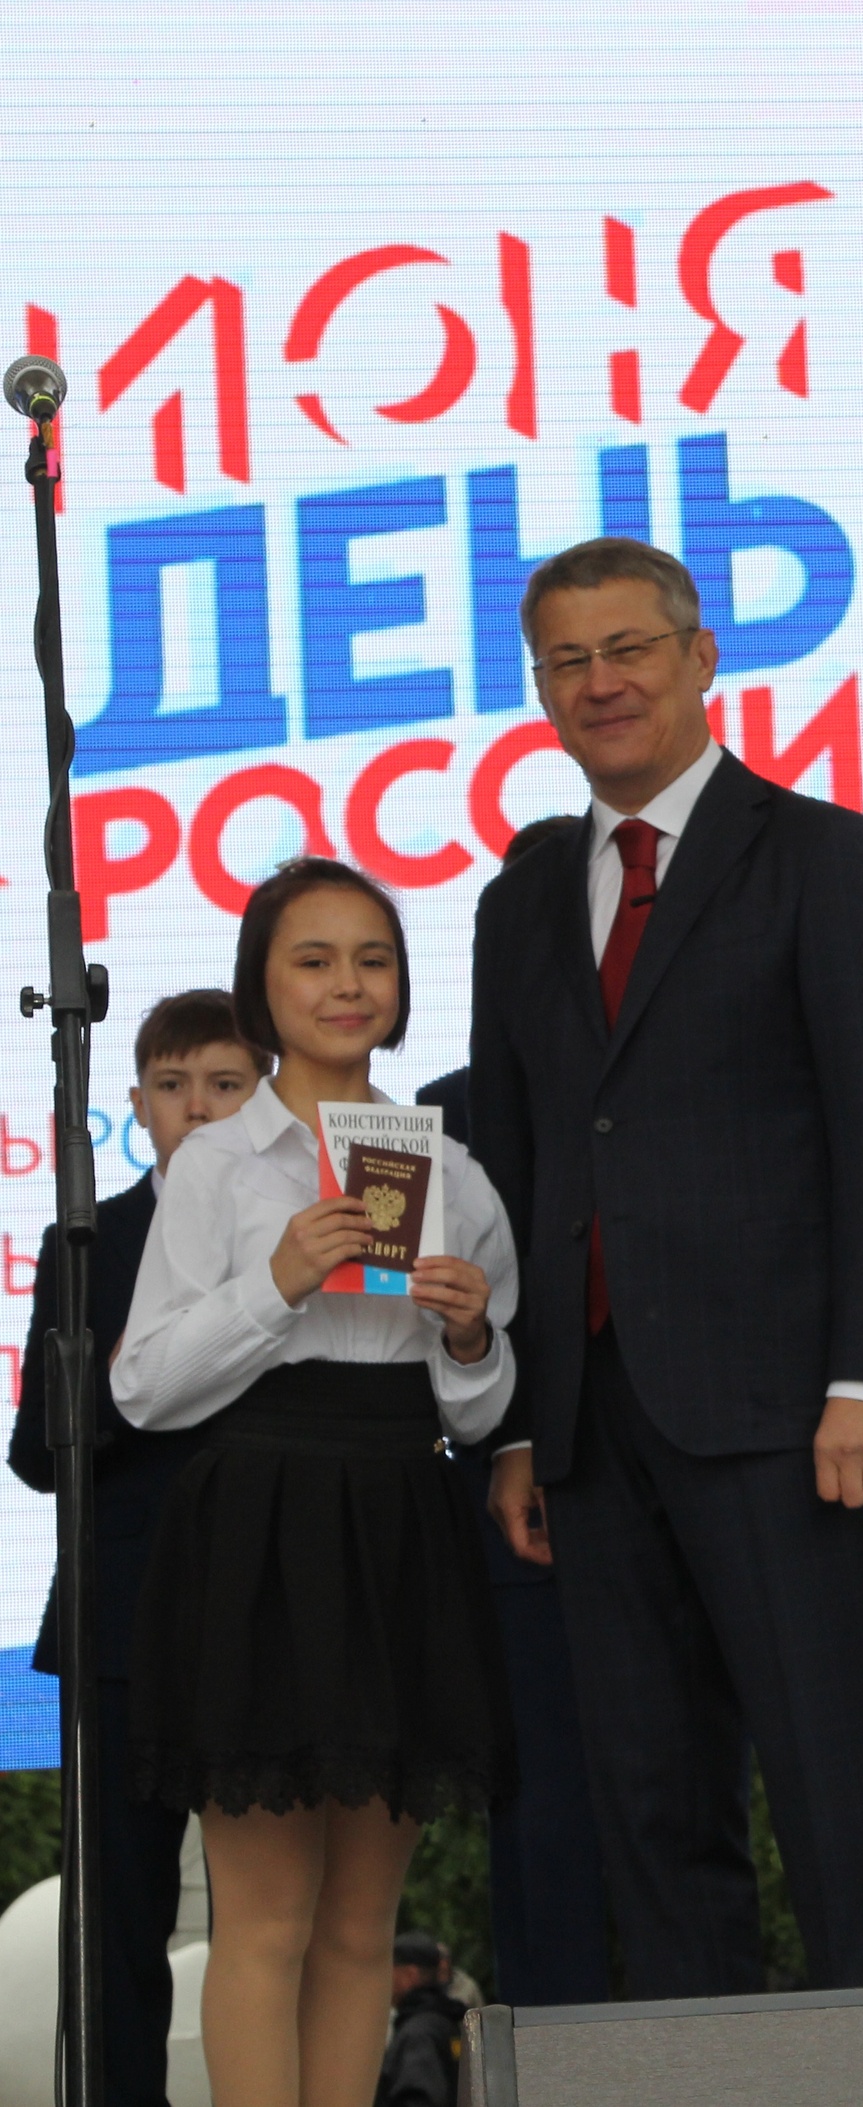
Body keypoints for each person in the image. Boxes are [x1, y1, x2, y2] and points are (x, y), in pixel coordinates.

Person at [470, 536, 863, 1998]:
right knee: (650, 1805)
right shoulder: (519, 900)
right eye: (567, 661)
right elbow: (519, 1167)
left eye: (628, 649)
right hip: (591, 1427)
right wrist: (523, 1422)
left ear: (699, 658)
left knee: (828, 1786)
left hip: (789, 1415)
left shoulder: (817, 853)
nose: (600, 682)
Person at [111, 859, 517, 2107]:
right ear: (262, 986)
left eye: (372, 959)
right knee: (268, 1920)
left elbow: (481, 1410)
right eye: (315, 958)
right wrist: (277, 1281)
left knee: (358, 1929)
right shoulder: (217, 1167)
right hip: (262, 1531)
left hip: (401, 1522)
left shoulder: (453, 1173)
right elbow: (142, 1387)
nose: (348, 983)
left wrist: (470, 1338)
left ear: (401, 987)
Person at [9, 991, 266, 2107]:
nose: (196, 1108)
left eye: (225, 1085)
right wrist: (136, 1376)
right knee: (116, 1918)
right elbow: (35, 1449)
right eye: (172, 1086)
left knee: (276, 1913)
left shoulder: (302, 1234)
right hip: (121, 1616)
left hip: (272, 1608)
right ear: (135, 1103)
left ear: (263, 1100)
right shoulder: (88, 1240)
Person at [413, 812, 613, 2011]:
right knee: (541, 1794)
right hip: (512, 1501)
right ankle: (556, 2052)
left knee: (681, 1783)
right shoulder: (434, 1122)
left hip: (683, 1482)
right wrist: (514, 1435)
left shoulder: (690, 1085)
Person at [375, 1932, 465, 2107]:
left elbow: (420, 2098)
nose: (384, 1980)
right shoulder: (446, 2021)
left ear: (410, 1975)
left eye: (390, 1970)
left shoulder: (418, 2034)